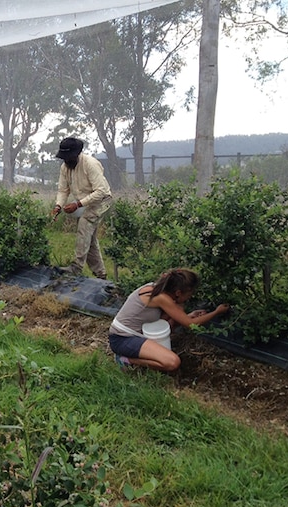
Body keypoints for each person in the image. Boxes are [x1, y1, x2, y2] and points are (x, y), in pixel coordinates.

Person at [109, 268, 230, 372]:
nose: (190, 297)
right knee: (172, 362)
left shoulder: (157, 288)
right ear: (178, 292)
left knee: (177, 314)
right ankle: (126, 359)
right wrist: (216, 312)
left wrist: (189, 315)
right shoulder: (162, 298)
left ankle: (140, 353)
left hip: (136, 333)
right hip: (122, 339)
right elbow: (190, 324)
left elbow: (179, 317)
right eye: (190, 294)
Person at [50, 137, 113, 280]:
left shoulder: (90, 164)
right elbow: (63, 190)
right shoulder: (65, 168)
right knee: (89, 239)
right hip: (86, 202)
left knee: (84, 226)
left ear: (76, 154)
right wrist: (58, 205)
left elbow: (100, 191)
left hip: (102, 201)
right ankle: (101, 274)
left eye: (68, 157)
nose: (66, 161)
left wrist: (77, 205)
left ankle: (76, 267)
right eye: (64, 158)